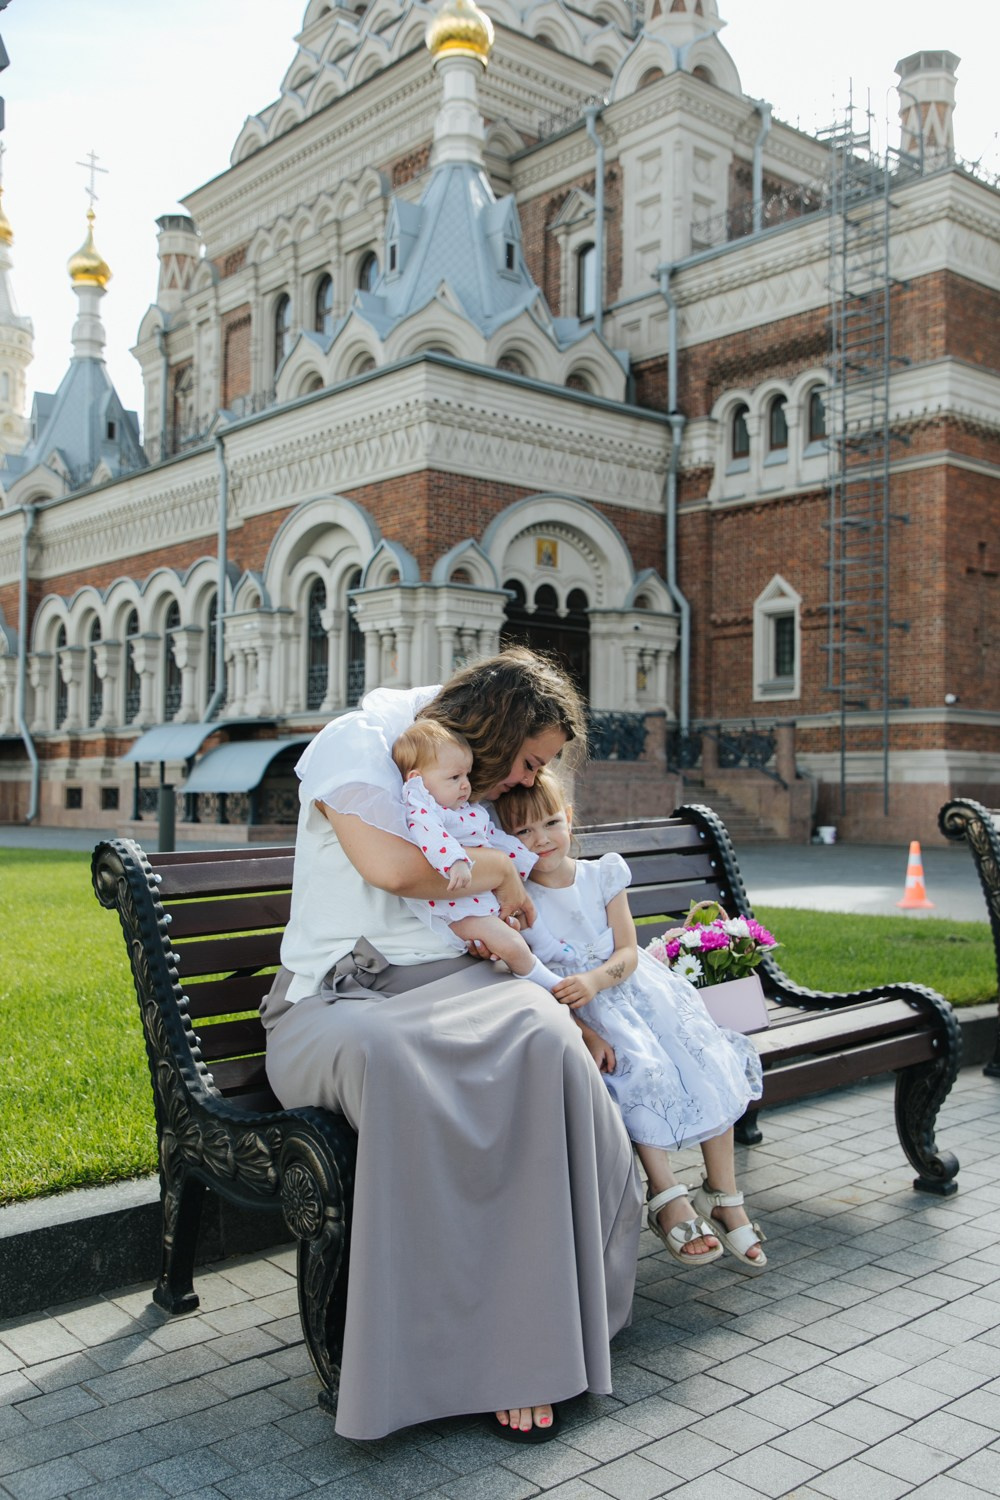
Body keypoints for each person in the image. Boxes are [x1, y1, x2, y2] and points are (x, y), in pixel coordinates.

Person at [260, 648, 643, 1443]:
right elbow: (394, 869)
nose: (521, 783)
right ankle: (431, 1357)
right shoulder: (359, 743)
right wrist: (500, 869)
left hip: (443, 982)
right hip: (336, 999)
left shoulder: (459, 782)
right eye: (527, 762)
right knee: (397, 1060)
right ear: (498, 729)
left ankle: (532, 1339)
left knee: (543, 1033)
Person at [495, 769, 768, 1274]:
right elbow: (531, 979)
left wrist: (598, 980)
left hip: (637, 992)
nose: (542, 839)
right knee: (640, 1069)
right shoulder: (518, 904)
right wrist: (585, 1028)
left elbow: (628, 952)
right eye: (523, 832)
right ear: (505, 843)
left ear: (569, 819)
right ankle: (666, 1198)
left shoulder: (602, 875)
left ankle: (724, 1193)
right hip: (583, 1012)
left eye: (551, 822)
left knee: (708, 1057)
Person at [389, 717, 569, 990]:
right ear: (417, 780)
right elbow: (431, 835)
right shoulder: (423, 808)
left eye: (466, 776)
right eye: (454, 777)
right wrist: (455, 861)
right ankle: (542, 980)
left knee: (520, 914)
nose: (465, 785)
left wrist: (520, 857)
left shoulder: (461, 808)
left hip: (479, 892)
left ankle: (548, 947)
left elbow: (492, 837)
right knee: (508, 942)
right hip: (459, 908)